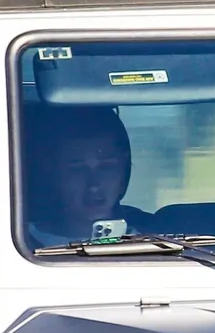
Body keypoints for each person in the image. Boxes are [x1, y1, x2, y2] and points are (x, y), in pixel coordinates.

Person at [22, 104, 150, 247]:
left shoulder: (160, 244)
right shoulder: (17, 245)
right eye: (77, 169)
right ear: (53, 175)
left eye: (106, 167)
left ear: (124, 172)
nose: (94, 185)